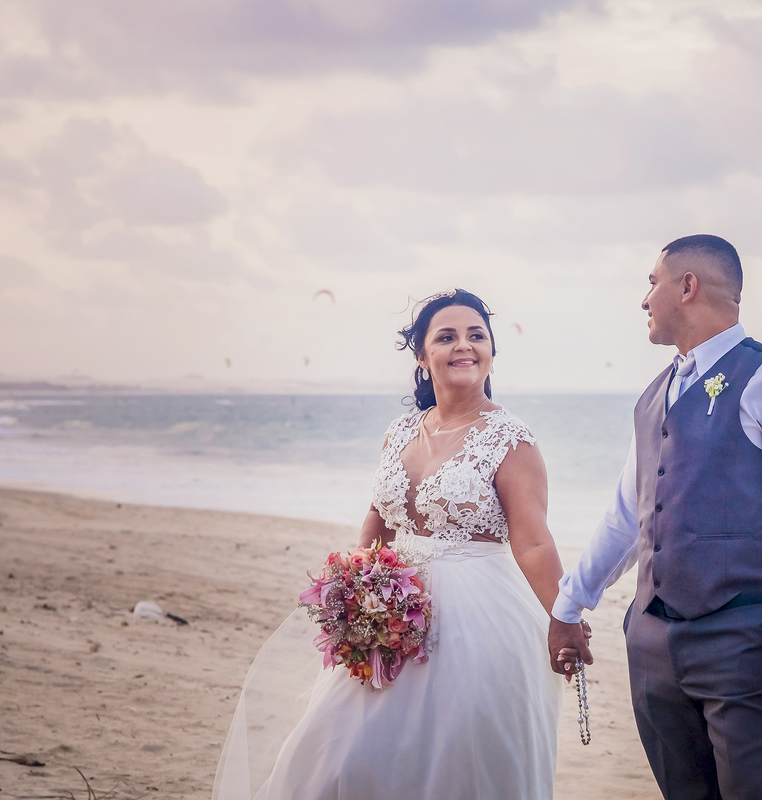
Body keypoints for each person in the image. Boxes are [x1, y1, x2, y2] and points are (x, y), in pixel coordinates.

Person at [213, 289, 574, 800]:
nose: (463, 346)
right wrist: (355, 587)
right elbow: (379, 519)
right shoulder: (402, 431)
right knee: (339, 753)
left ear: (492, 350)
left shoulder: (511, 439)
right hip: (390, 616)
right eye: (446, 337)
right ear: (423, 357)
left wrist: (564, 618)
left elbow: (534, 544)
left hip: (482, 624)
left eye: (476, 335)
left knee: (455, 760)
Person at [547, 235, 762, 800]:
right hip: (654, 644)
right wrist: (569, 604)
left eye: (651, 282)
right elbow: (626, 516)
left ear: (688, 286)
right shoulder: (654, 394)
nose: (644, 300)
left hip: (745, 645)